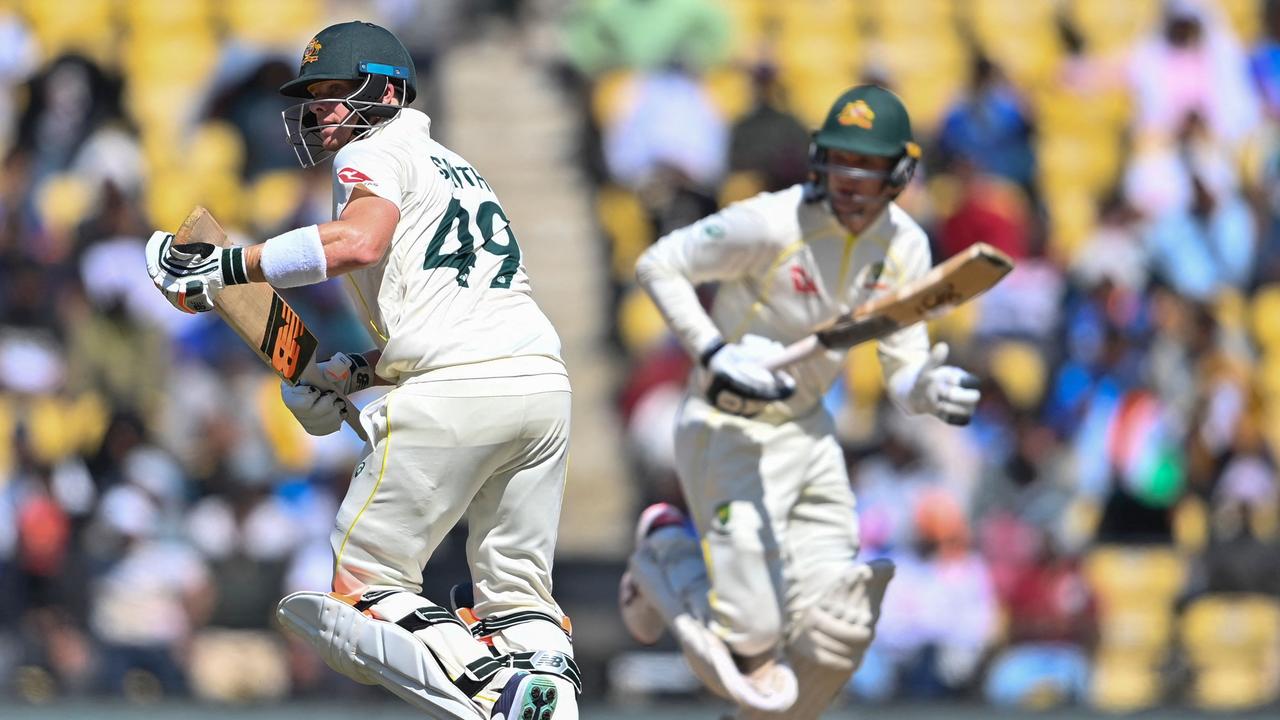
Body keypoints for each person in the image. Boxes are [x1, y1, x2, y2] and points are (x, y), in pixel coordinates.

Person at [144, 21, 579, 720]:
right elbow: (452, 312)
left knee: (362, 585)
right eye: (313, 98)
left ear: (387, 90)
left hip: (457, 389)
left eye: (334, 93)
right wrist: (351, 373)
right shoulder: (457, 168)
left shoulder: (374, 154)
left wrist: (229, 265)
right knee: (516, 598)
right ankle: (544, 690)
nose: (320, 111)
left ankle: (489, 687)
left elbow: (357, 242)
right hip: (541, 387)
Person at [620, 85, 983, 718]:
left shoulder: (905, 247)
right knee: (751, 642)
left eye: (866, 164)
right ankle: (667, 550)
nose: (848, 177)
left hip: (809, 433)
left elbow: (901, 368)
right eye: (840, 158)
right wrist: (712, 350)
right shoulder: (771, 220)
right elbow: (659, 263)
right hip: (727, 423)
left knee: (835, 629)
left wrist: (922, 387)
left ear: (899, 171)